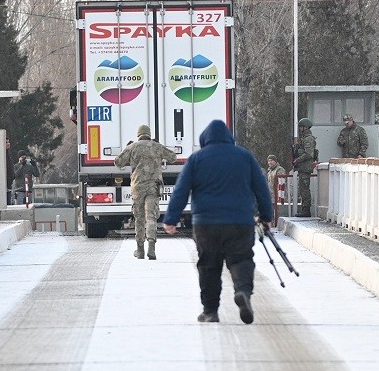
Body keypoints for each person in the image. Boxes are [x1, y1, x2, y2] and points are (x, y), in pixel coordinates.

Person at [163, 120, 273, 325]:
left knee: (209, 266)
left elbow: (181, 190)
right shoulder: (244, 156)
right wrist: (266, 215)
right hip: (239, 222)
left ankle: (210, 311)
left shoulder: (196, 159)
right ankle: (242, 292)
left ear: (205, 139)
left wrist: (171, 218)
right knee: (241, 260)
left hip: (206, 223)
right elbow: (262, 188)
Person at [115, 124, 177, 260]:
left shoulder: (133, 147)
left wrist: (128, 149)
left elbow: (118, 162)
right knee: (151, 217)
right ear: (149, 134)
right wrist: (158, 148)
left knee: (139, 218)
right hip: (153, 187)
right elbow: (173, 157)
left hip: (137, 187)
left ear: (138, 135)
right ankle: (152, 248)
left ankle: (140, 250)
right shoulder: (156, 146)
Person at [292, 118, 316, 217]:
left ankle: (306, 211)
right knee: (303, 189)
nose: (300, 129)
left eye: (301, 127)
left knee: (304, 190)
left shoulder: (308, 139)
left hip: (305, 167)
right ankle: (304, 210)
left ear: (305, 127)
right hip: (303, 167)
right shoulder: (304, 138)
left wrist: (297, 160)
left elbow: (308, 154)